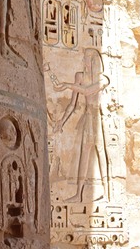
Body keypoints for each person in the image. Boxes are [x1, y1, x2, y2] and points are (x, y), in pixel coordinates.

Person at [53, 47, 110, 202]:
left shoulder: (103, 79)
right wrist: (61, 122)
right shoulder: (80, 76)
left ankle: (107, 194)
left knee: (101, 152)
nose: (83, 60)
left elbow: (87, 91)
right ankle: (78, 194)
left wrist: (67, 85)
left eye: (86, 58)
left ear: (93, 61)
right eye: (84, 57)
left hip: (97, 117)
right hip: (88, 117)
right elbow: (72, 104)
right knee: (84, 154)